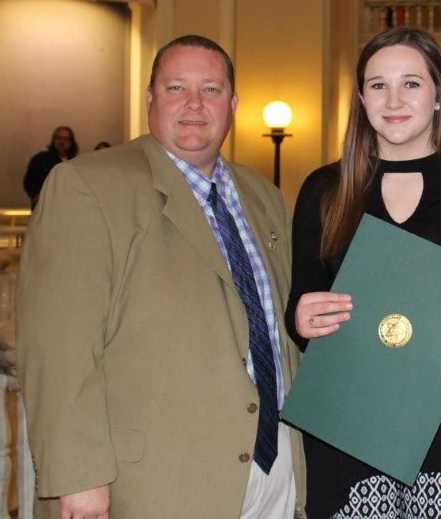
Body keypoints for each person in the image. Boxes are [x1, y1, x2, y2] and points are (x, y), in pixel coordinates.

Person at [16, 35, 306, 518]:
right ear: (150, 99)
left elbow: (282, 332)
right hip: (154, 482)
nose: (195, 104)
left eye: (211, 90)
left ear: (232, 105)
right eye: (176, 88)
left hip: (272, 473)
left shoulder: (266, 197)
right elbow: (59, 348)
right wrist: (80, 478)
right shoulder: (86, 186)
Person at [285, 27, 441, 518]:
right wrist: (302, 319)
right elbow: (304, 304)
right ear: (360, 97)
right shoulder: (324, 190)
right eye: (378, 85)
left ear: (439, 94)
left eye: (411, 84)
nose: (394, 100)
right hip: (351, 425)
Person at [23, 126, 78, 207]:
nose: (61, 141)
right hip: (45, 205)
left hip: (69, 205)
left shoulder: (76, 161)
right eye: (58, 137)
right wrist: (35, 195)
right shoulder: (41, 159)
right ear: (53, 140)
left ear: (71, 141)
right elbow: (29, 180)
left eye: (65, 138)